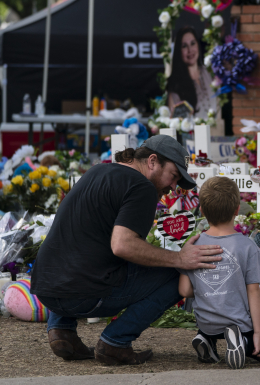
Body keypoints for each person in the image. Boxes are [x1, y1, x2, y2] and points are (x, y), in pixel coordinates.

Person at [31, 135, 223, 366]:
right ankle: (115, 343)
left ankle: (62, 332)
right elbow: (123, 245)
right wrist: (179, 258)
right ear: (152, 161)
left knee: (90, 256)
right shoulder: (141, 186)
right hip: (81, 296)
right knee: (178, 275)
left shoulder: (96, 172)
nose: (173, 187)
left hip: (46, 288)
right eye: (173, 176)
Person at [178, 176, 260, 369]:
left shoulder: (193, 246)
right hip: (238, 324)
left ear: (202, 211)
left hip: (207, 323)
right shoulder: (247, 246)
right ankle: (243, 344)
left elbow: (185, 291)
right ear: (237, 210)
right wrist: (258, 336)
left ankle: (205, 340)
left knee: (212, 326)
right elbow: (254, 292)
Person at [167, 26, 224, 136]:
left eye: (193, 43)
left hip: (217, 136)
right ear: (179, 51)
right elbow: (174, 124)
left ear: (198, 45)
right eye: (184, 46)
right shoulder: (175, 85)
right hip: (192, 142)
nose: (190, 50)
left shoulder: (210, 73)